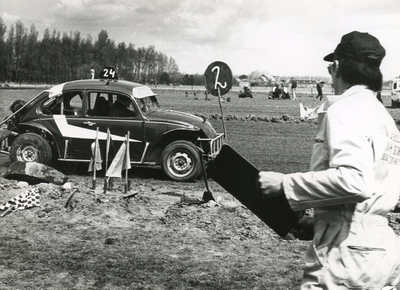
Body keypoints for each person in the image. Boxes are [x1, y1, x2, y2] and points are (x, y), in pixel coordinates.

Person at [256, 31, 400, 289]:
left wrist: (284, 184)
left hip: (346, 254)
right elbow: (372, 190)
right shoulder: (384, 117)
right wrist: (321, 221)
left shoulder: (345, 108)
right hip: (382, 249)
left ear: (336, 67)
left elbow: (355, 182)